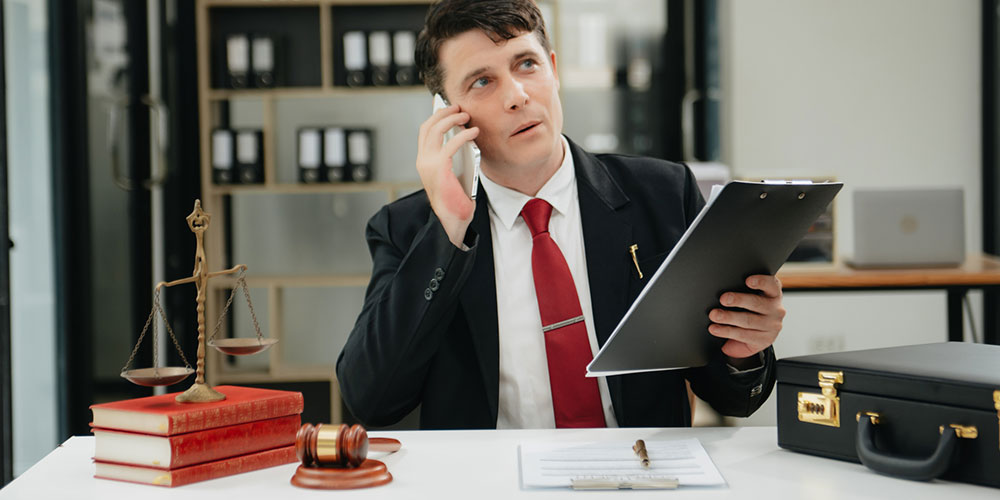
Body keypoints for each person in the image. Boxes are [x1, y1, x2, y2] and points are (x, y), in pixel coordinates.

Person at [336, 0, 784, 429]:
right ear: (449, 114)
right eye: (482, 82)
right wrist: (448, 231)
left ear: (552, 67)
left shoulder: (663, 195)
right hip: (491, 480)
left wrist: (742, 351)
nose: (516, 96)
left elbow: (734, 398)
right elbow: (372, 401)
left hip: (639, 471)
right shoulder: (409, 229)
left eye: (526, 64)